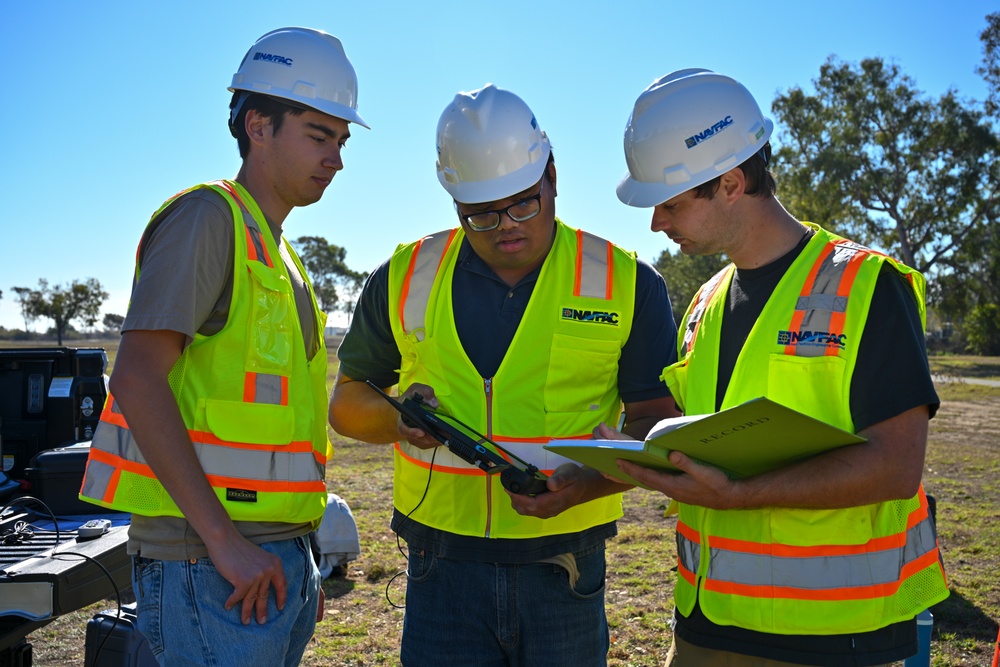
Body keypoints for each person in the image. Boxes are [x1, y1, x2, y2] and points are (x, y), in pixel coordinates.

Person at [328, 83, 679, 666]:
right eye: (481, 214)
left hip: (565, 568)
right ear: (455, 202)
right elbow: (346, 403)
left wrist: (589, 484)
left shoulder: (629, 283)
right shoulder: (404, 275)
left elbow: (658, 430)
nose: (505, 226)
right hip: (440, 570)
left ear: (553, 177)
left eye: (524, 203)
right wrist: (397, 419)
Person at [608, 68, 950, 666]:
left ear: (732, 183)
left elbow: (895, 466)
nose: (657, 224)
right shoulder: (705, 303)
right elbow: (697, 442)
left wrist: (742, 495)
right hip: (704, 625)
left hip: (835, 638)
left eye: (668, 203)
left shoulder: (867, 285)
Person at [79, 27, 368, 666]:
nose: (336, 159)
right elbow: (137, 377)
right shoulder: (208, 218)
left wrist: (301, 556)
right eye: (320, 136)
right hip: (210, 563)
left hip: (269, 559)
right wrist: (225, 544)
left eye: (342, 142)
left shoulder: (277, 251)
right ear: (257, 125)